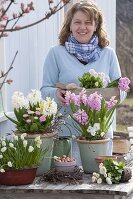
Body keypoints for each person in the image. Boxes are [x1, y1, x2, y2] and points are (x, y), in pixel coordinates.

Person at [40, 1, 121, 161]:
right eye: (77, 22)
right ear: (69, 25)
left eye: (88, 22)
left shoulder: (108, 54)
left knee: (97, 177)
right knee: (68, 180)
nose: (82, 27)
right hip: (66, 132)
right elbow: (45, 90)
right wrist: (57, 93)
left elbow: (120, 90)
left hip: (99, 133)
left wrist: (107, 98)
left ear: (96, 26)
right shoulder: (56, 53)